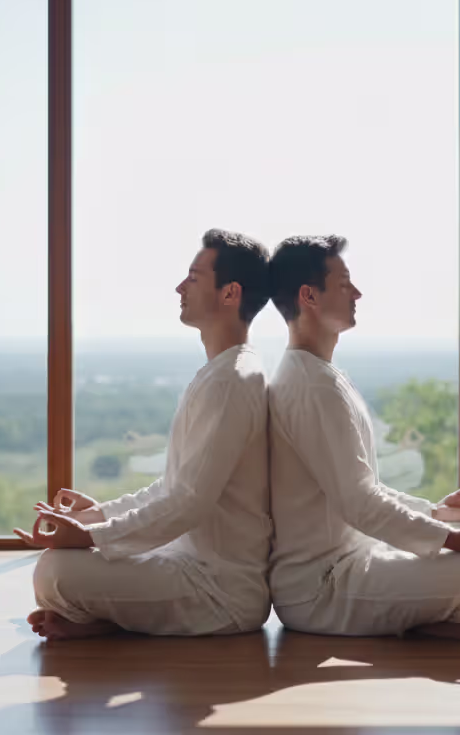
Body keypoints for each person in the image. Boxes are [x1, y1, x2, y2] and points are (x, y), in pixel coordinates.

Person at [266, 235, 460, 642]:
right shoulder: (312, 385)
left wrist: (437, 514)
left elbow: (362, 489)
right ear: (309, 296)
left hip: (353, 560)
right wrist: (454, 540)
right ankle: (421, 622)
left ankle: (421, 620)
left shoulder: (320, 375)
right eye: (343, 284)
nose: (357, 293)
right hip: (320, 590)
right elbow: (359, 502)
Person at [14, 229, 272, 640]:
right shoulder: (222, 373)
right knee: (60, 564)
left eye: (193, 277)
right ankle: (104, 621)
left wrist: (92, 535)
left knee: (55, 571)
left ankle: (105, 621)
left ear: (230, 293)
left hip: (219, 593)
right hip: (188, 561)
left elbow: (187, 502)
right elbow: (173, 488)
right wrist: (94, 517)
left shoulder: (232, 381)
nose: (179, 287)